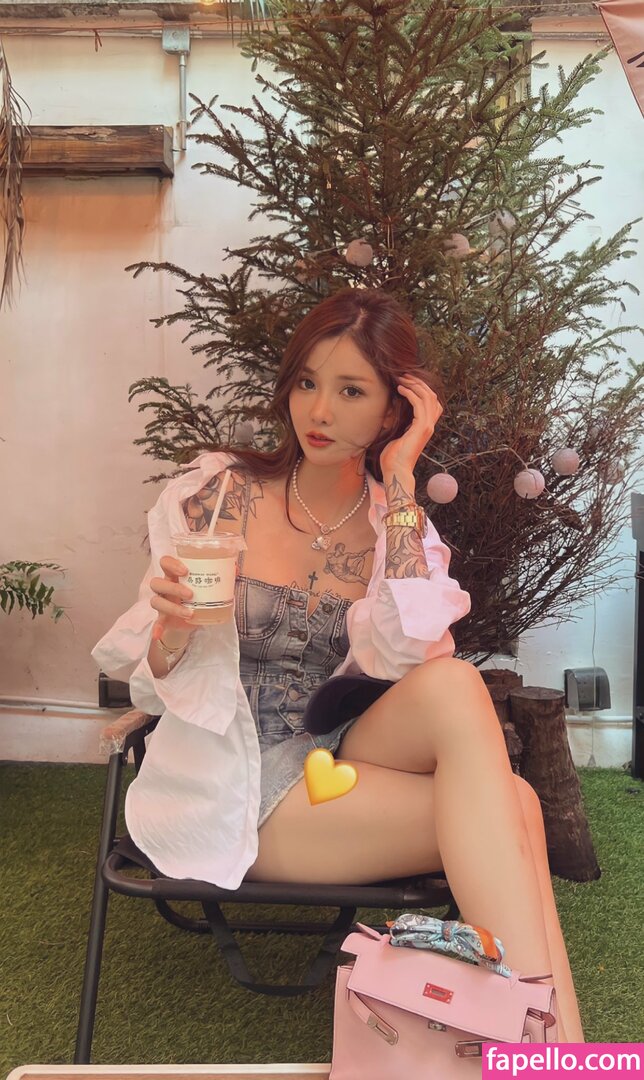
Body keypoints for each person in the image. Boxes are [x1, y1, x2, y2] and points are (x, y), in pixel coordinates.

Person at [92, 287, 584, 1042]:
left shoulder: (393, 522)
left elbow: (412, 651)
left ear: (391, 412)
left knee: (456, 686)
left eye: (351, 390)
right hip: (237, 782)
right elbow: (150, 680)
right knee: (512, 804)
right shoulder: (215, 495)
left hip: (336, 754)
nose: (318, 411)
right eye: (307, 382)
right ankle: (550, 1047)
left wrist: (404, 477)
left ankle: (540, 1048)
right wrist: (172, 625)